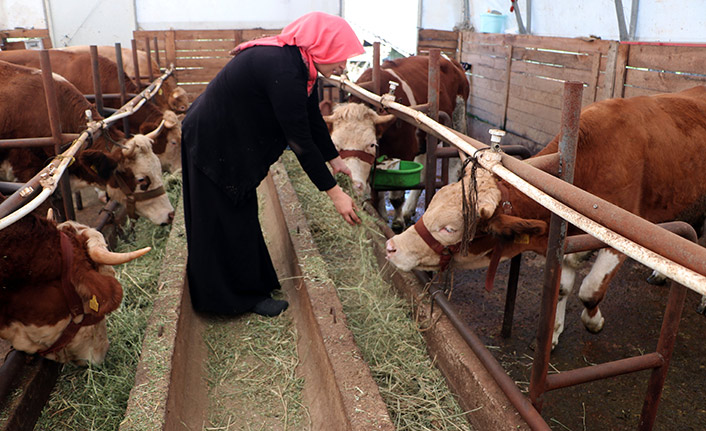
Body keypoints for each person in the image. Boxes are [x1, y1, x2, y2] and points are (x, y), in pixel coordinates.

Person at [181, 11, 364, 317]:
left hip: (229, 139)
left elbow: (312, 119)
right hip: (213, 141)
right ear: (323, 46)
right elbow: (300, 141)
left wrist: (335, 160)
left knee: (239, 212)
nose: (343, 65)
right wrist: (335, 194)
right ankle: (228, 301)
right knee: (218, 219)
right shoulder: (284, 68)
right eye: (341, 56)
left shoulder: (300, 66)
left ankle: (253, 286)